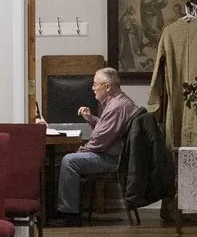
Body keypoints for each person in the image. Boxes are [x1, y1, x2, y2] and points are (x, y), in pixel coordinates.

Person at [55, 67, 138, 225]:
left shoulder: (116, 107)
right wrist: (91, 118)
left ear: (107, 86)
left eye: (95, 84)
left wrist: (81, 150)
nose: (92, 88)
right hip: (114, 154)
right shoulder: (119, 102)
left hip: (112, 159)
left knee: (69, 161)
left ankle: (69, 215)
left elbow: (100, 139)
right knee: (71, 158)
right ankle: (68, 209)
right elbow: (108, 130)